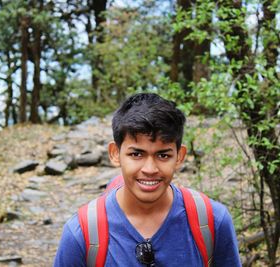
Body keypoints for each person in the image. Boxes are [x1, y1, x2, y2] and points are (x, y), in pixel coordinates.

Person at [54, 93, 241, 266]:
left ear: (180, 156)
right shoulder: (82, 233)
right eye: (136, 154)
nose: (150, 169)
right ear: (115, 154)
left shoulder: (211, 222)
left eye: (163, 155)